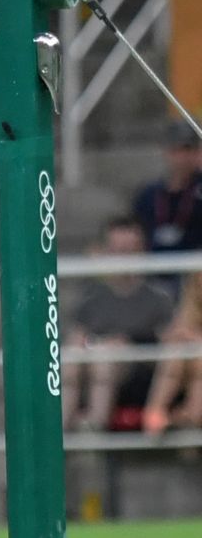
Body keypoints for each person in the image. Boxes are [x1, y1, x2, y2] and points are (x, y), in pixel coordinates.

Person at [61, 218, 174, 432]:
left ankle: (93, 431)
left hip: (138, 371)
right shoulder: (91, 296)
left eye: (130, 250)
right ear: (104, 251)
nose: (124, 257)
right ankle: (59, 434)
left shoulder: (159, 296)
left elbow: (170, 343)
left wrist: (131, 343)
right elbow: (76, 337)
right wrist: (92, 344)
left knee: (105, 358)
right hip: (92, 361)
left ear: (142, 251)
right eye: (118, 250)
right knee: (71, 357)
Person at [143, 271, 202, 435]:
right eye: (198, 284)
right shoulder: (188, 308)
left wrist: (193, 338)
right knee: (175, 355)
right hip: (186, 366)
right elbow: (172, 333)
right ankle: (156, 414)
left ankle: (186, 418)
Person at [132, 123, 202, 256]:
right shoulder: (148, 194)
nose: (182, 158)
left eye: (188, 150)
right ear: (166, 152)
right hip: (152, 267)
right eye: (175, 150)